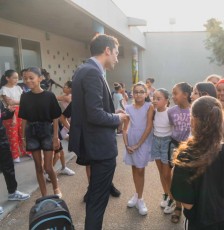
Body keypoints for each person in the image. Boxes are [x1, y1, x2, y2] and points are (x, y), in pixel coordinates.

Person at [68, 34, 128, 230]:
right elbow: (94, 115)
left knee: (96, 196)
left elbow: (89, 110)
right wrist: (117, 118)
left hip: (92, 143)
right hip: (99, 146)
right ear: (107, 51)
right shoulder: (92, 72)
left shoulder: (85, 69)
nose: (117, 58)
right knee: (97, 200)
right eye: (116, 53)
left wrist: (112, 112)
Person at [171, 96, 224, 230]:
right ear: (220, 120)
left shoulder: (187, 153)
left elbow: (186, 202)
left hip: (198, 222)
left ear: (193, 120)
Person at [60, 102, 121, 202]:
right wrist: (74, 130)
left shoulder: (99, 98)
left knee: (106, 163)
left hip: (102, 137)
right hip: (85, 139)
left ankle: (109, 185)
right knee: (89, 164)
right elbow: (62, 117)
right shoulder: (76, 101)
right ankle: (91, 189)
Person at [18, 67, 62, 198]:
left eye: (31, 78)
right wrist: (23, 138)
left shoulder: (49, 96)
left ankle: (56, 189)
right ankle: (44, 195)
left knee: (48, 167)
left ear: (40, 78)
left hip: (47, 131)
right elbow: (24, 118)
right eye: (25, 78)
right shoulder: (24, 97)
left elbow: (55, 117)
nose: (27, 80)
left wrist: (56, 137)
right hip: (31, 132)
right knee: (38, 167)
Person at [123, 82, 154, 216]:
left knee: (140, 169)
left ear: (146, 94)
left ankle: (140, 199)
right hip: (131, 140)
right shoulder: (128, 107)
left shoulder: (149, 106)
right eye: (136, 92)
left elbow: (149, 127)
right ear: (132, 94)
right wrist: (127, 145)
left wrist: (138, 145)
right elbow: (124, 129)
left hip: (143, 140)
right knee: (135, 167)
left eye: (141, 91)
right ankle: (137, 194)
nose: (138, 94)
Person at [168, 82, 193, 223]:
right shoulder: (171, 111)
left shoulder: (194, 109)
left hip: (190, 147)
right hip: (176, 146)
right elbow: (170, 126)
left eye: (175, 93)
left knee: (190, 177)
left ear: (185, 95)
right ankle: (177, 207)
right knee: (176, 176)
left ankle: (190, 205)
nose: (173, 96)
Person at [0, 100, 30, 215]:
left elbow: (2, 116)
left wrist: (9, 112)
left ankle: (12, 192)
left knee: (8, 166)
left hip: (2, 137)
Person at [150, 88, 175, 214]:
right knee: (161, 172)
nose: (155, 101)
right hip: (156, 141)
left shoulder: (171, 112)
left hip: (167, 142)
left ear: (166, 100)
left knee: (167, 173)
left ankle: (172, 198)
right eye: (153, 98)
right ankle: (166, 194)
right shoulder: (152, 111)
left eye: (158, 98)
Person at [0, 70, 31, 162]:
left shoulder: (18, 88)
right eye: (14, 78)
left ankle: (28, 151)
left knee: (23, 133)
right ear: (7, 78)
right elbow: (9, 104)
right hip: (10, 114)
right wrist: (18, 104)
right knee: (12, 135)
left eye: (17, 78)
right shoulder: (3, 89)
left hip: (21, 111)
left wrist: (18, 102)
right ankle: (15, 155)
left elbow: (24, 101)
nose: (16, 80)